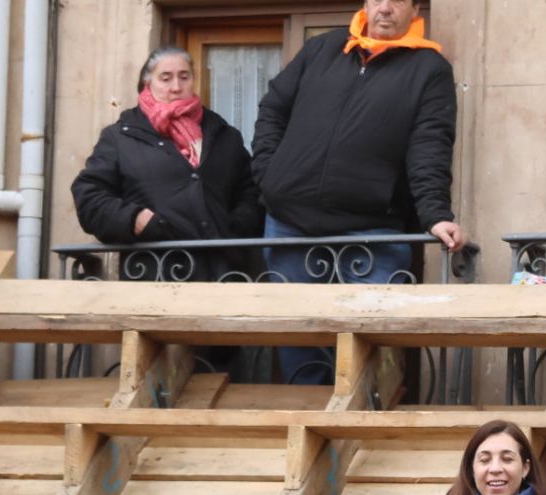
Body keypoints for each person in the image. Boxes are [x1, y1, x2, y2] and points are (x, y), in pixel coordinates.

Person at [251, 0, 466, 385]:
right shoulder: (322, 48)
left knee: (373, 348)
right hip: (289, 223)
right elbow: (272, 109)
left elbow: (430, 146)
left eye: (396, 0)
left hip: (370, 231)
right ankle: (309, 432)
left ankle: (368, 434)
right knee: (299, 340)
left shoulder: (429, 69)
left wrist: (435, 214)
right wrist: (270, 175)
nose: (384, 8)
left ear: (415, 9)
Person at [71, 46, 261, 280]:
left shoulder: (223, 135)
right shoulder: (120, 137)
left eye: (184, 77)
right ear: (147, 82)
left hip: (224, 274)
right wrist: (136, 219)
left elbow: (251, 191)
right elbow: (89, 196)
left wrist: (236, 224)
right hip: (155, 274)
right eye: (165, 78)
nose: (176, 87)